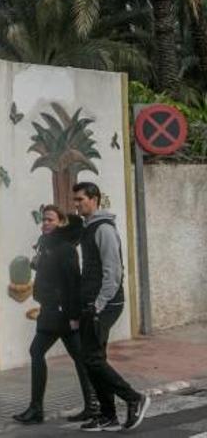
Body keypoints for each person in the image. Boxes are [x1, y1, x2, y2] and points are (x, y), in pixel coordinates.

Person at [72, 182, 150, 432]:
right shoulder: (87, 227)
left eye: (81, 199)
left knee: (92, 359)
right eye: (75, 200)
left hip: (104, 303)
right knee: (92, 358)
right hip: (91, 304)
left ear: (94, 199)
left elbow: (113, 272)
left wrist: (98, 304)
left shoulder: (103, 229)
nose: (77, 204)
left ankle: (134, 398)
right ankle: (108, 416)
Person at [12, 205, 99, 425]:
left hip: (60, 312)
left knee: (40, 351)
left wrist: (72, 315)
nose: (45, 223)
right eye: (44, 220)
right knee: (79, 357)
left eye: (50, 219)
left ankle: (38, 409)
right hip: (51, 310)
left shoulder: (65, 248)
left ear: (61, 223)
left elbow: (72, 283)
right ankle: (91, 406)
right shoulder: (48, 246)